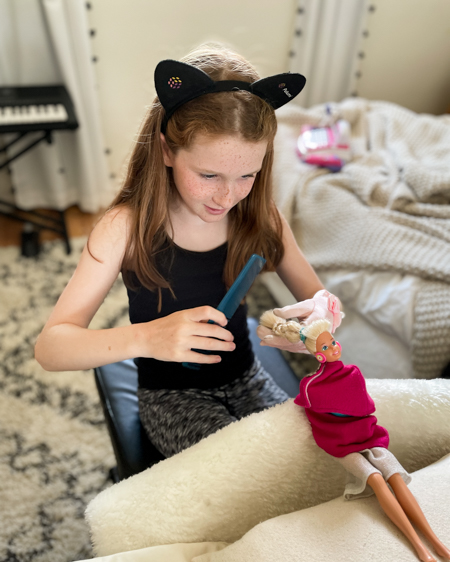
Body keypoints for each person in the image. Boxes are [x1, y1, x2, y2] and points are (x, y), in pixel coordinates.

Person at [35, 43, 330, 459]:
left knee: (310, 462)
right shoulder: (125, 227)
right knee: (245, 473)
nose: (227, 197)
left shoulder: (260, 213)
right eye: (208, 175)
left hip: (247, 378)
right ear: (167, 150)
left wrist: (322, 316)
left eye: (247, 175)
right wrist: (148, 337)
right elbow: (51, 348)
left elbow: (317, 299)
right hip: (171, 396)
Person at [258, 312, 450, 562]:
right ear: (318, 355)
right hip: (341, 445)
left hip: (368, 435)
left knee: (395, 475)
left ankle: (435, 541)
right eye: (325, 347)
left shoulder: (351, 373)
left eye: (333, 342)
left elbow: (364, 407)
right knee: (377, 479)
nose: (333, 348)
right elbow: (314, 412)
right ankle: (417, 544)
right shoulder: (311, 385)